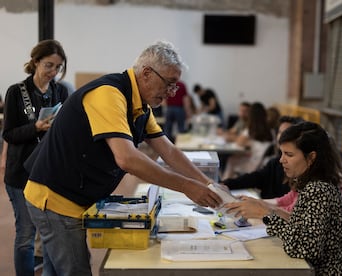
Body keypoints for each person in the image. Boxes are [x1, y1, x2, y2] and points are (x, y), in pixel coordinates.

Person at [23, 41, 222, 275]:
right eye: (169, 84)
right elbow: (127, 158)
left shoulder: (141, 106)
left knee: (55, 271)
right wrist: (187, 186)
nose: (171, 92)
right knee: (76, 270)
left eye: (175, 86)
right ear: (147, 73)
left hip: (72, 194)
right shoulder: (109, 94)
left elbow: (169, 151)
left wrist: (209, 184)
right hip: (56, 199)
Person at [225, 122, 342, 275]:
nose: (282, 160)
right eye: (282, 153)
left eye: (289, 154)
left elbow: (307, 248)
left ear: (311, 157)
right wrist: (264, 207)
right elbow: (299, 225)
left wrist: (265, 214)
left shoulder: (319, 190)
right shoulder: (312, 185)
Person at [2, 39, 69, 276]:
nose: (53, 72)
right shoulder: (16, 92)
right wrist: (36, 128)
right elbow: (8, 133)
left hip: (48, 173)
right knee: (26, 235)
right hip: (20, 174)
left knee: (51, 234)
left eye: (58, 67)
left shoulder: (60, 91)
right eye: (49, 65)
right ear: (36, 62)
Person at [221, 115, 304, 199]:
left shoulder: (299, 170)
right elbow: (257, 177)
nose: (281, 136)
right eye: (280, 132)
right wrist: (226, 184)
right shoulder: (275, 162)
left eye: (286, 132)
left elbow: (286, 204)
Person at [221, 102, 274, 180]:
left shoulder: (250, 130)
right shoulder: (271, 131)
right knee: (233, 159)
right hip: (262, 164)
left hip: (252, 165)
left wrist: (240, 139)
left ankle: (224, 183)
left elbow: (239, 142)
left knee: (231, 160)